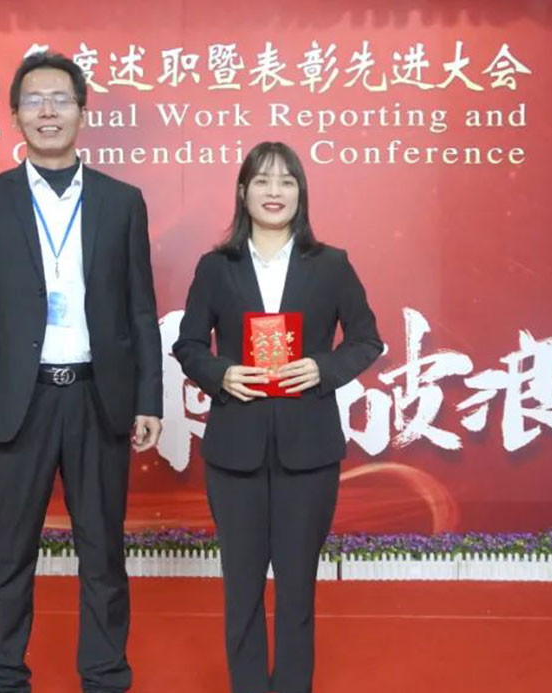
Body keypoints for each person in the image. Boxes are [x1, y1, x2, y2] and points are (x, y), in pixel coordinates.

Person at [0, 51, 164, 693]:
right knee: (9, 550)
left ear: (82, 113)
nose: (48, 111)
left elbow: (141, 309)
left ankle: (106, 675)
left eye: (61, 99)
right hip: (18, 401)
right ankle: (3, 676)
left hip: (99, 397)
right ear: (15, 115)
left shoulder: (122, 202)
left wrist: (149, 398)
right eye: (34, 100)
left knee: (103, 551)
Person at [172, 141, 382, 693]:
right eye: (262, 181)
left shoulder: (331, 265)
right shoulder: (216, 267)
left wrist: (323, 368)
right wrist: (221, 374)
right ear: (242, 191)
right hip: (234, 450)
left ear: (300, 193)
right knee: (241, 586)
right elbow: (188, 344)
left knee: (296, 587)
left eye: (286, 181)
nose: (274, 191)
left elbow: (366, 340)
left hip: (308, 450)